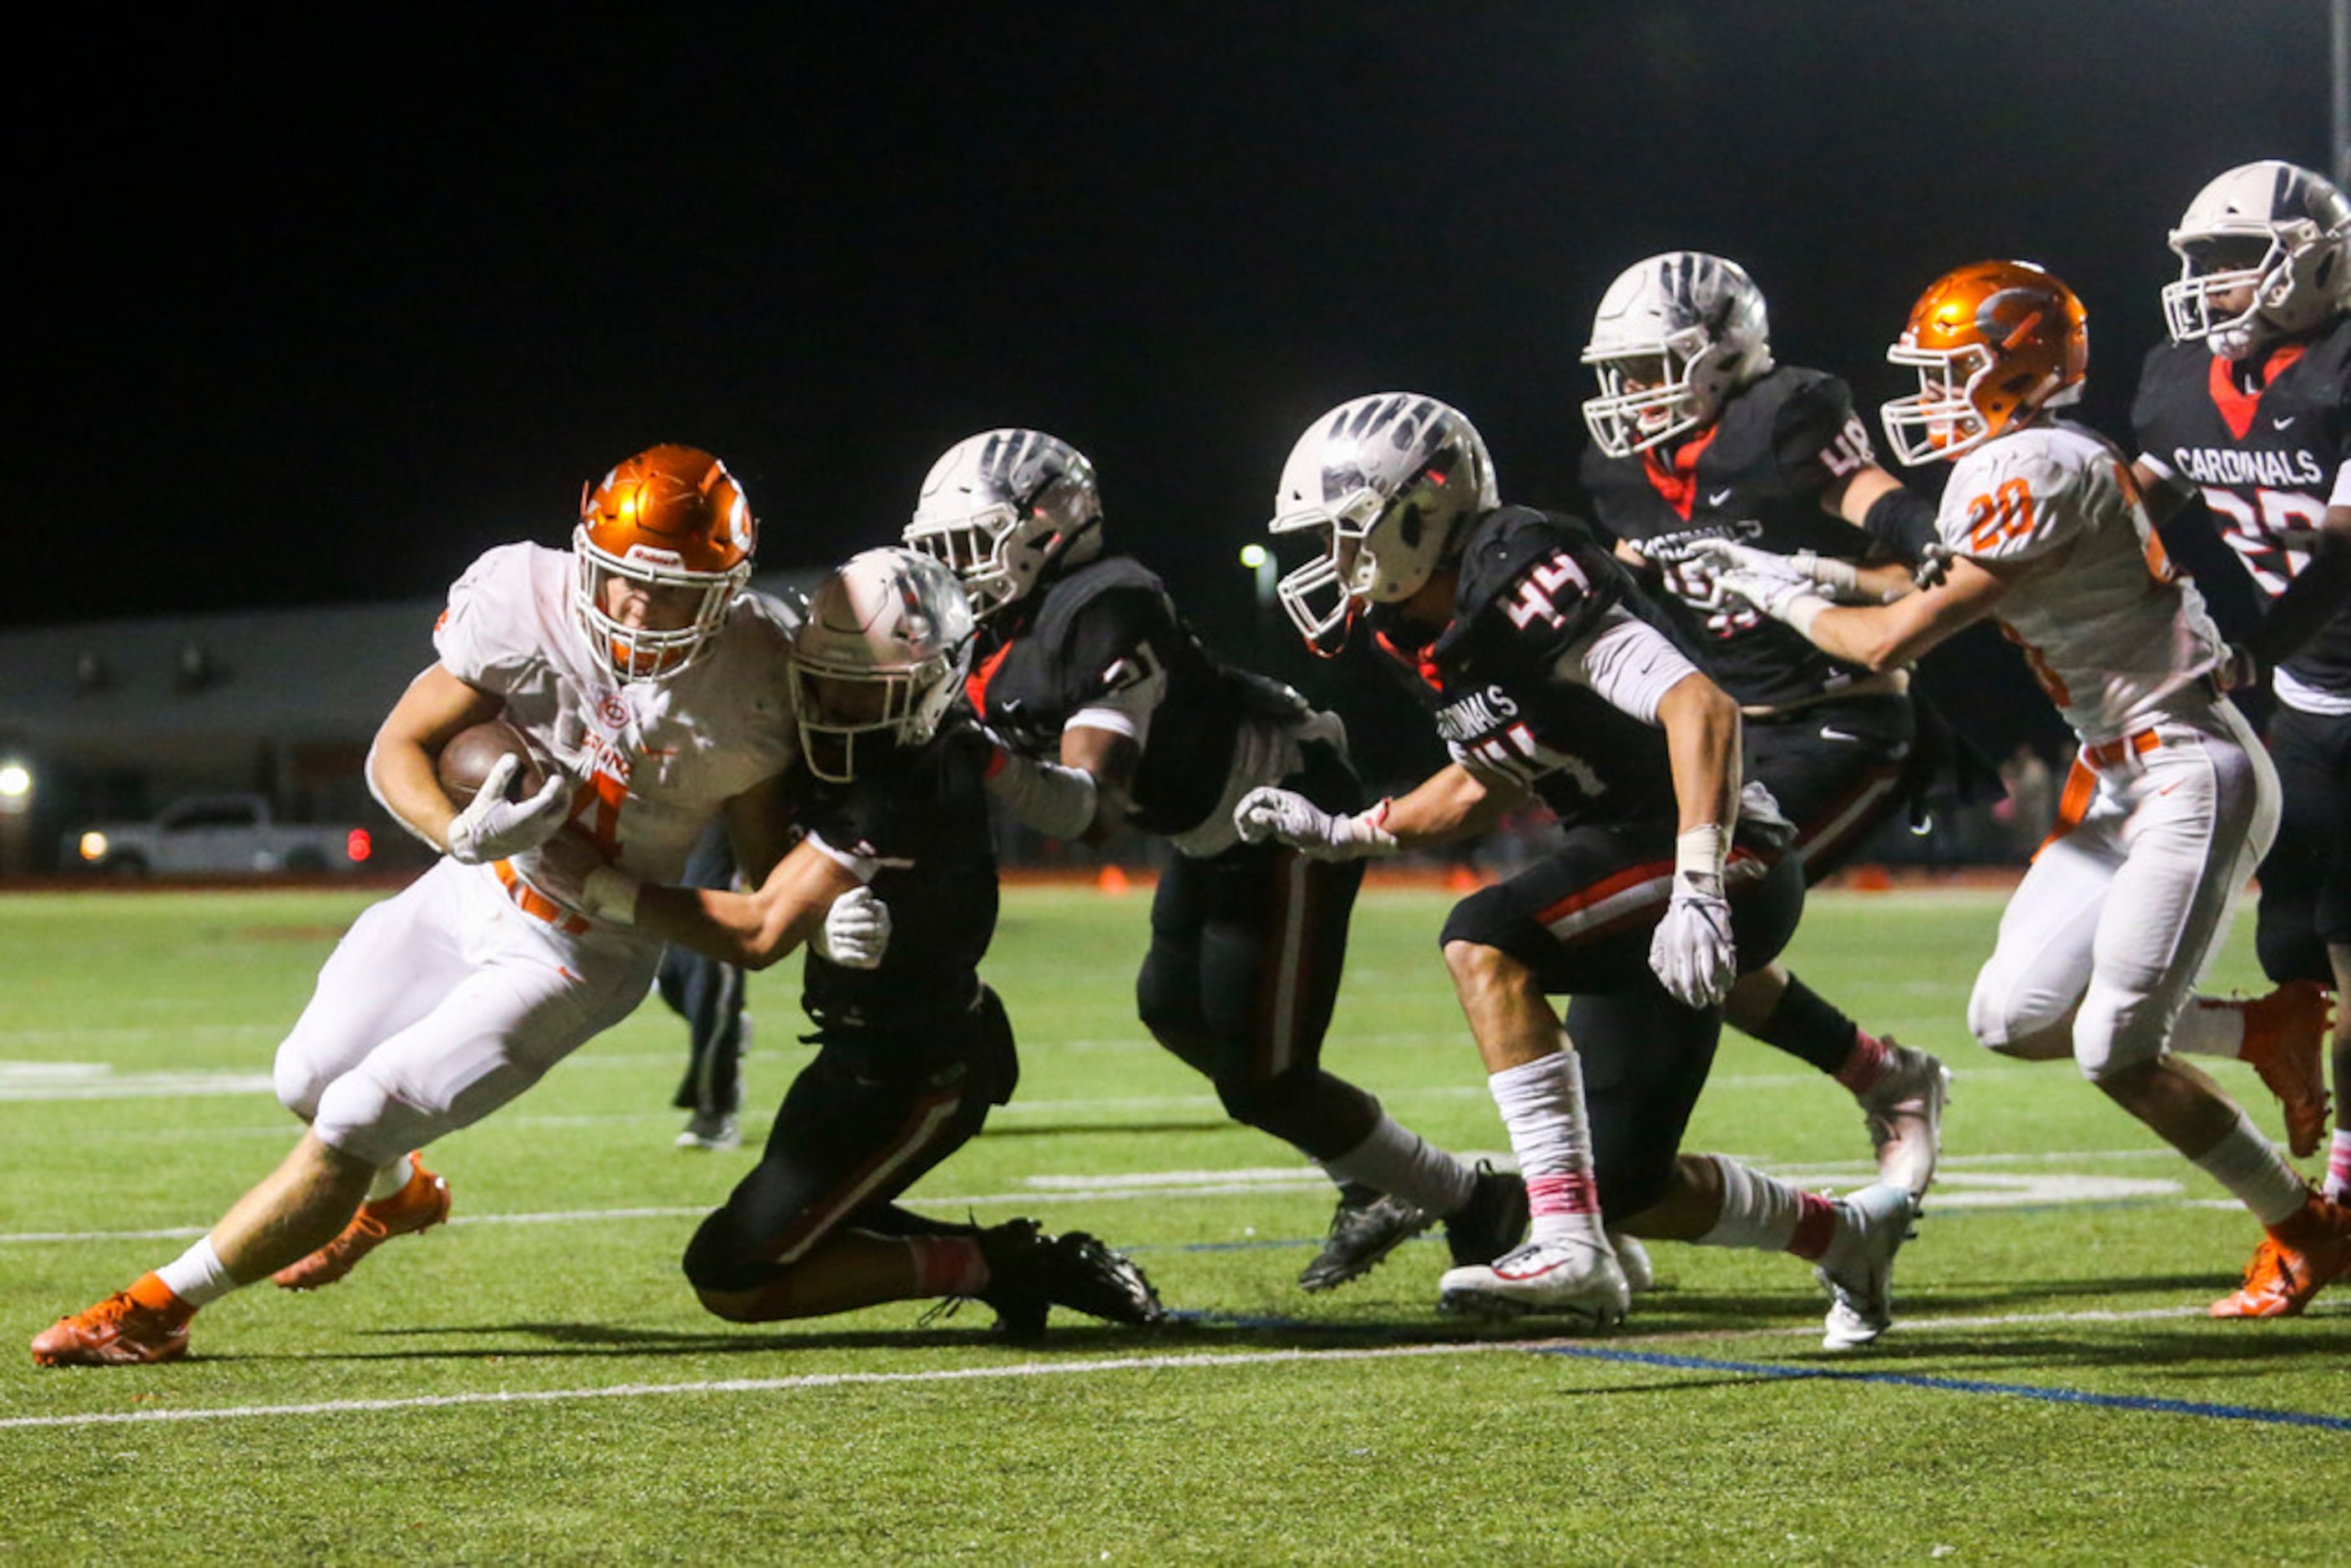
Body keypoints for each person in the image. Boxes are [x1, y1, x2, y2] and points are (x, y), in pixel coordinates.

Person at [31, 443, 813, 1367]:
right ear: (585, 557)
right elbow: (398, 745)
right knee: (305, 1078)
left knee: (355, 1116)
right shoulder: (522, 594)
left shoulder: (762, 675)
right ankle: (401, 1199)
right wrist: (456, 834)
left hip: (578, 954)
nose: (640, 608)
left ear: (727, 589)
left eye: (674, 590)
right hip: (470, 886)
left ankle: (156, 1310)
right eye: (622, 581)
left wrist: (830, 886)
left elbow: (768, 881)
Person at [1702, 258, 2350, 1320]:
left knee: (2112, 1049)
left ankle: (2304, 1229)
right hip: (2114, 774)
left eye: (1952, 369)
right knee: (2011, 1014)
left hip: (2189, 762)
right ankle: (2259, 1034)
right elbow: (1924, 583)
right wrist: (1806, 576)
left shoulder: (2038, 465)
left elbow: (1890, 637)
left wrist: (1773, 590)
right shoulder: (2012, 462)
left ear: (2018, 367)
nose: (1929, 392)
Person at [1241, 392, 1919, 1348]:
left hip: (1720, 857)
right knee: (1629, 1183)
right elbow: (1483, 781)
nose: (1329, 557)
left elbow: (1701, 709)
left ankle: (1563, 1241)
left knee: (1480, 938)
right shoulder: (1416, 625)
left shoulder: (1518, 569)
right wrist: (1352, 831)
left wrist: (1695, 884)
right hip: (1630, 861)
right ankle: (1843, 1236)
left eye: (1340, 530)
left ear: (1416, 510)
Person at [902, 429, 1527, 1294]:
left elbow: (1089, 809)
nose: (957, 569)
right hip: (1209, 830)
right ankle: (1373, 1183)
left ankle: (1472, 1202)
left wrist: (985, 761)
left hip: (1285, 818)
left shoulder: (1103, 606)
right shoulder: (999, 628)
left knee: (1263, 1078)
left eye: (970, 544)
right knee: (1169, 1007)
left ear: (1047, 529)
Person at [538, 547, 1165, 1338]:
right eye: (822, 679)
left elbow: (763, 930)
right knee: (798, 1228)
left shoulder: (911, 776)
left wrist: (595, 886)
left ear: (930, 687)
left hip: (920, 1070)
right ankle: (1006, 1258)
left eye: (863, 688)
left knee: (733, 1276)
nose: (833, 704)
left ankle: (1007, 1266)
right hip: (854, 1054)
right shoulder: (854, 738)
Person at [1576, 251, 1952, 1196]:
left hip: (1839, 723)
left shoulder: (1783, 417)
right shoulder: (1616, 472)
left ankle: (1619, 1181)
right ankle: (1880, 1074)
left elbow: (1917, 571)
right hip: (1724, 735)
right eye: (1617, 372)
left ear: (1721, 353)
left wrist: (1819, 575)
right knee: (1654, 923)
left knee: (1698, 910)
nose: (1628, 393)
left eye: (1648, 366)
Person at [2130, 159, 2350, 1296]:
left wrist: (2254, 642)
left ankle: (2342, 1207)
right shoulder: (2180, 379)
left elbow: (2345, 550)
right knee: (2290, 960)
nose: (2213, 284)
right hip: (2307, 705)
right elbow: (2130, 510)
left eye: (2233, 257)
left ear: (2317, 253)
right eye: (2201, 263)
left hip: (2314, 674)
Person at [661, 822, 754, 1151]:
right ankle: (727, 1026)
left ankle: (716, 1110)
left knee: (709, 975)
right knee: (669, 975)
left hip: (720, 812)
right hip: (671, 816)